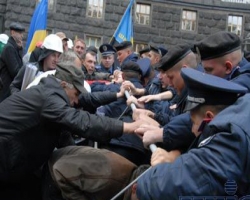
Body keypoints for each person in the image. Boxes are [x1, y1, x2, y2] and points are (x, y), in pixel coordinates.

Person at [0, 62, 144, 200]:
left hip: (15, 158)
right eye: (75, 93)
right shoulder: (49, 100)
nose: (76, 100)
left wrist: (117, 95)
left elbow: (87, 99)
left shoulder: (53, 92)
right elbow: (81, 121)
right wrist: (128, 127)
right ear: (63, 84)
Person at [136, 67, 250, 199]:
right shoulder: (240, 112)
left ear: (209, 117)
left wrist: (161, 169)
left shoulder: (232, 138)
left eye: (193, 122)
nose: (191, 129)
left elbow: (159, 186)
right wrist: (178, 156)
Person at [0, 22, 25, 102]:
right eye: (20, 33)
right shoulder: (9, 48)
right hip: (6, 89)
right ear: (13, 33)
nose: (22, 35)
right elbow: (15, 72)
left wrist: (20, 49)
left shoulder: (14, 48)